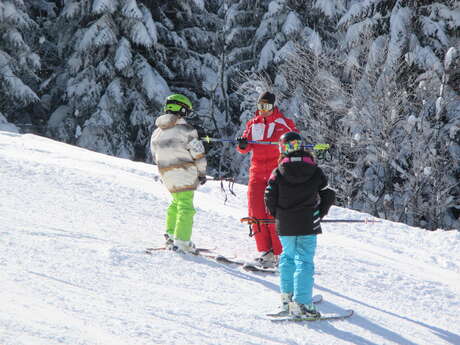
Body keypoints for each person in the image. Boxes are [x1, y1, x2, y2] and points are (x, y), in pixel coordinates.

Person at [264, 132, 335, 317]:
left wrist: (277, 214)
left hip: (285, 224)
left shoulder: (278, 171)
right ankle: (303, 303)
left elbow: (269, 196)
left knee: (287, 258)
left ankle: (287, 300)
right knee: (304, 261)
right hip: (307, 222)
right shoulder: (315, 170)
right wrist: (321, 212)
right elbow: (328, 193)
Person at [236, 91, 298, 267]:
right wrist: (242, 144)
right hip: (256, 173)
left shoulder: (282, 124)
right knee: (256, 212)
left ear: (273, 107)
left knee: (273, 212)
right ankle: (265, 251)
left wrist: (289, 145)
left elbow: (295, 141)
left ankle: (279, 253)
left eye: (267, 106)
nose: (263, 110)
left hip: (275, 173)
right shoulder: (253, 124)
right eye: (260, 106)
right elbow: (245, 146)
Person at [150, 94, 207, 254]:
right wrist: (201, 173)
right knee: (186, 207)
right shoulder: (187, 130)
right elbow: (198, 154)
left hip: (167, 175)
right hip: (184, 173)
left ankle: (170, 235)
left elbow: (155, 154)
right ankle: (182, 241)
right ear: (182, 110)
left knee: (175, 203)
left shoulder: (157, 133)